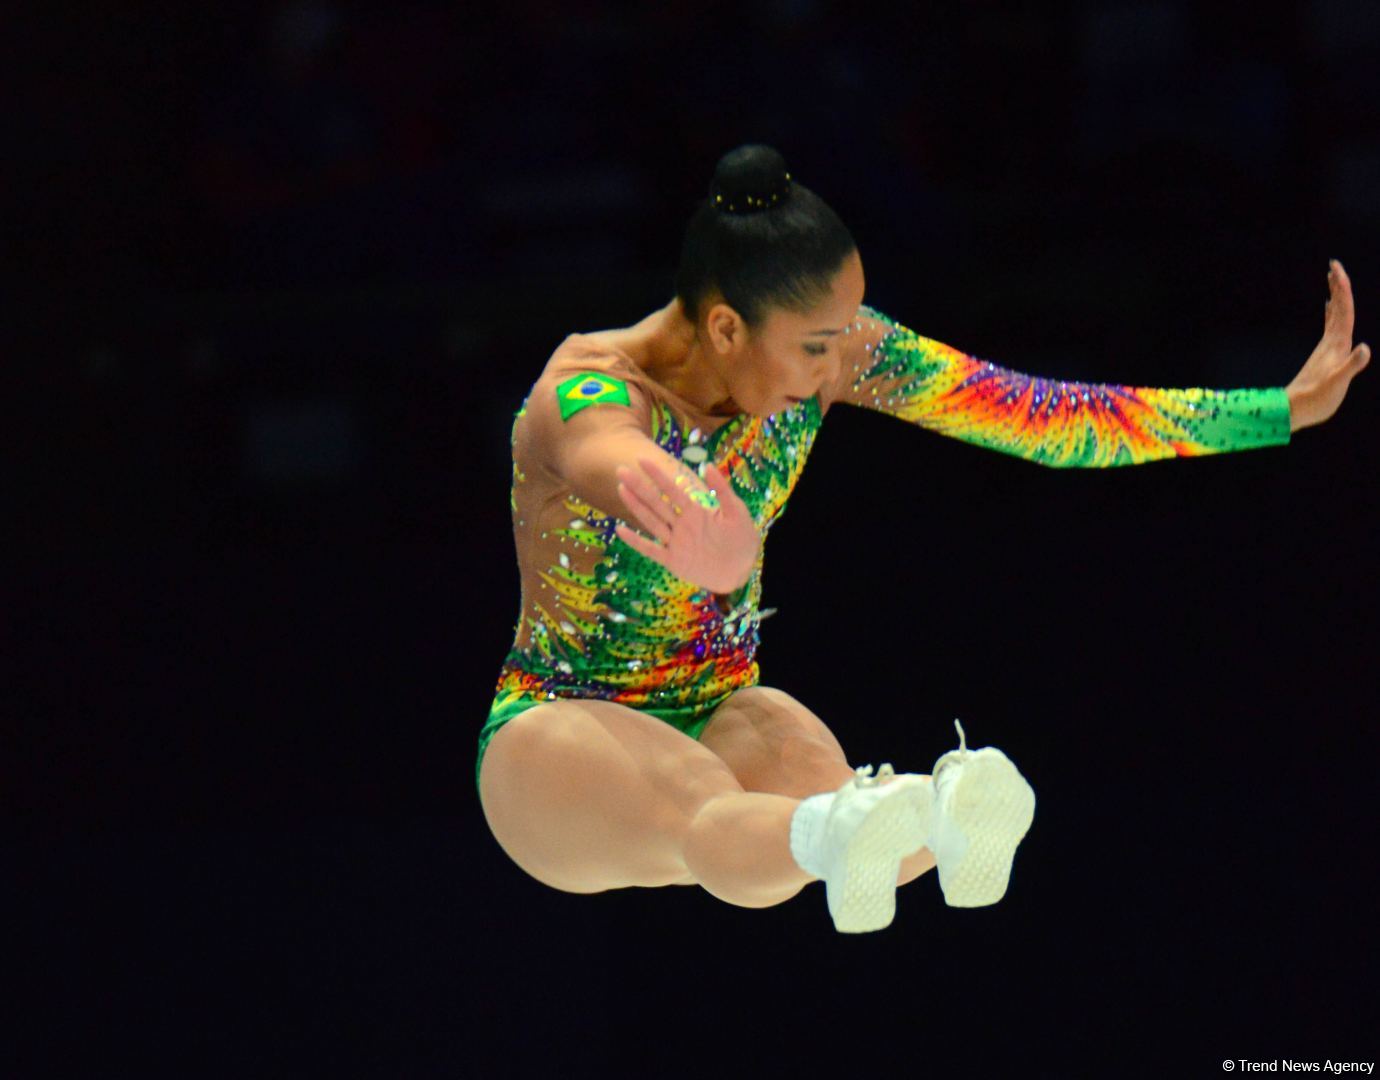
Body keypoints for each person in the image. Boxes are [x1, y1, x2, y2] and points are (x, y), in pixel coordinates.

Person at [475, 143, 1369, 934]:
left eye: (843, 339)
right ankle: (856, 822)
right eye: (817, 347)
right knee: (706, 811)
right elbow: (608, 450)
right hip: (557, 734)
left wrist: (1270, 413)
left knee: (842, 822)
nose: (840, 366)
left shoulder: (831, 352)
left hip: (714, 704)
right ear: (723, 326)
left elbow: (1042, 417)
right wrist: (697, 521)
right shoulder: (589, 387)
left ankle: (939, 813)